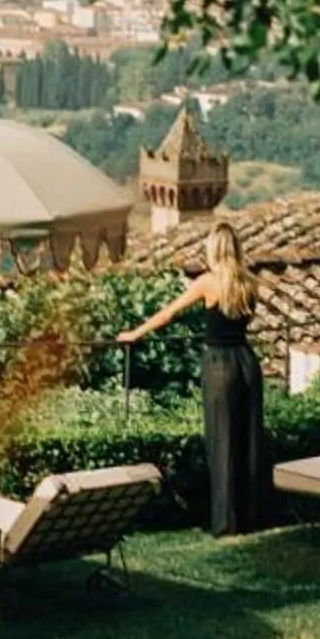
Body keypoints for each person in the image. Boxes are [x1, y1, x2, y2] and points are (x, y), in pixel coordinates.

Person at [118, 219, 267, 537]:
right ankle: (251, 514)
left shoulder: (207, 283)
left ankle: (226, 522)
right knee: (249, 440)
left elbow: (168, 314)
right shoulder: (249, 283)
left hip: (219, 364)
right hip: (247, 362)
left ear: (214, 249)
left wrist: (135, 334)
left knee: (222, 441)